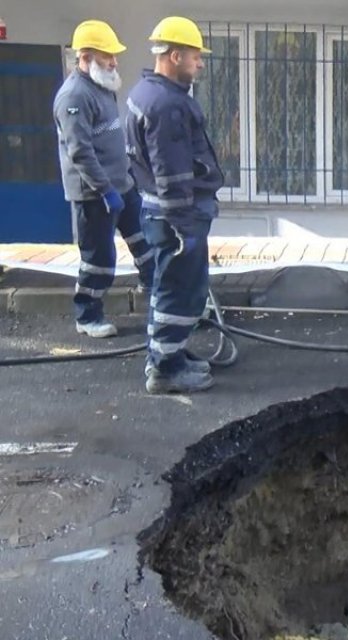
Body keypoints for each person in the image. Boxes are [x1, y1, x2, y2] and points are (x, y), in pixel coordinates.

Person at [125, 16, 222, 394]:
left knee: (170, 286)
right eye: (196, 56)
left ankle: (170, 354)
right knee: (178, 290)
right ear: (176, 55)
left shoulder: (149, 93)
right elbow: (171, 171)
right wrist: (184, 223)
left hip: (164, 212)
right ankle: (165, 369)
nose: (200, 64)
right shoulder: (166, 105)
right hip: (177, 215)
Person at [53, 20, 156, 339]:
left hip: (122, 187)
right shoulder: (73, 96)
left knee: (147, 244)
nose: (114, 61)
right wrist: (105, 189)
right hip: (94, 195)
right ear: (84, 57)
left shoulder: (102, 87)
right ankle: (87, 315)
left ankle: (161, 302)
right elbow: (80, 152)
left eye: (114, 55)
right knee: (98, 259)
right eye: (106, 55)